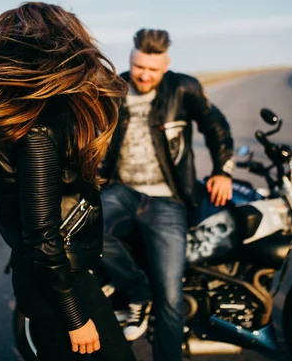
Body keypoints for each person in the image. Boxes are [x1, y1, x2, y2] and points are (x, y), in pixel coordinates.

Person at [0, 2, 136, 361]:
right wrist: (75, 317)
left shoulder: (40, 114)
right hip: (59, 285)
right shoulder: (39, 126)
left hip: (60, 276)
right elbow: (41, 235)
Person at [100, 28, 234, 361]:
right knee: (82, 228)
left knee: (171, 297)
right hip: (121, 189)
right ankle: (135, 289)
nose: (143, 75)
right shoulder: (113, 90)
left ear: (166, 64)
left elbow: (215, 125)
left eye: (152, 69)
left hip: (167, 200)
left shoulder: (182, 88)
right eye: (138, 66)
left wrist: (222, 171)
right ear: (131, 58)